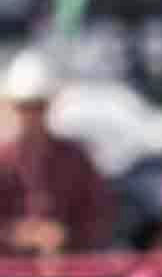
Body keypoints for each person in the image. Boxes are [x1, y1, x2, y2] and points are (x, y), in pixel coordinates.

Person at [1, 51, 114, 257]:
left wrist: (64, 236)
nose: (31, 115)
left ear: (50, 105)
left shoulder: (76, 159)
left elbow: (99, 217)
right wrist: (19, 235)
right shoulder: (3, 161)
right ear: (13, 107)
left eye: (38, 106)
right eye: (25, 107)